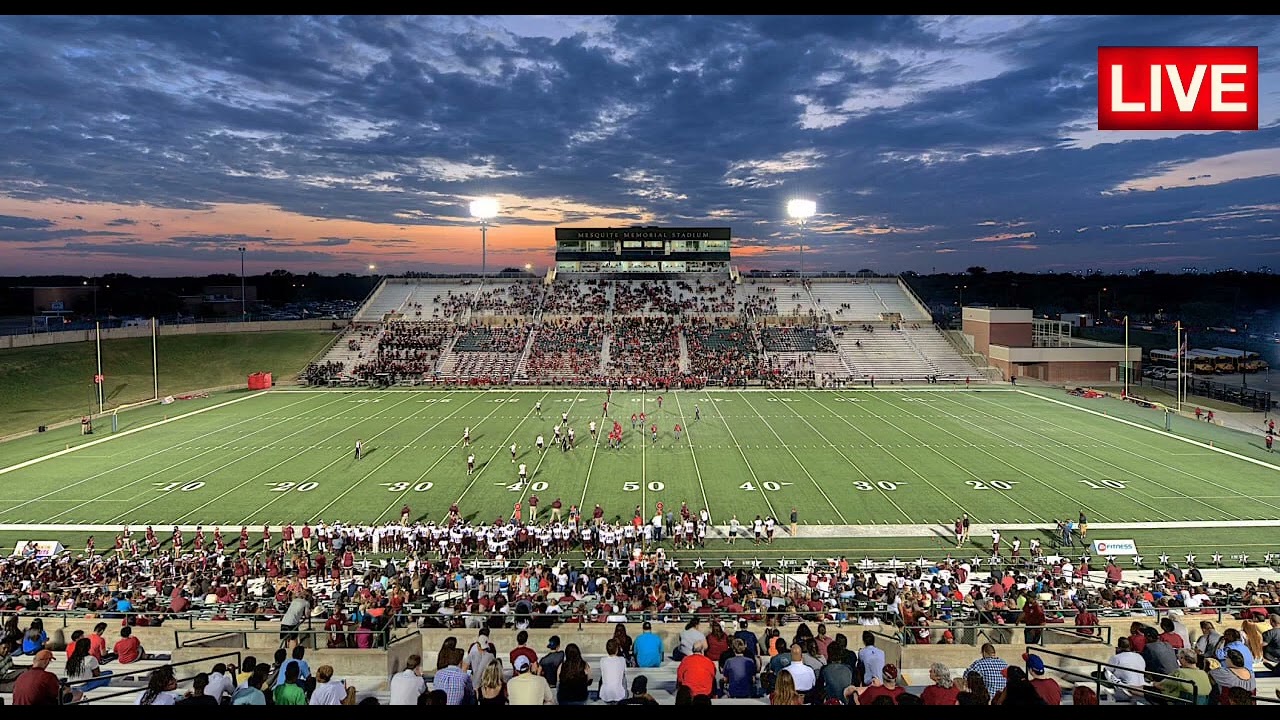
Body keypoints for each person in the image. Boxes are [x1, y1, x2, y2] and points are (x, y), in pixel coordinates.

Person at [599, 638, 628, 703]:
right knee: (623, 678)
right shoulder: (622, 660)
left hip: (605, 694)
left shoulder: (602, 660)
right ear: (617, 649)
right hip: (619, 694)